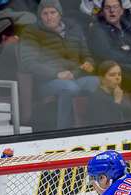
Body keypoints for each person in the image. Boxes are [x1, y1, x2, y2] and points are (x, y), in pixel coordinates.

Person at [18, 0, 99, 129]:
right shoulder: (31, 32)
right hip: (47, 81)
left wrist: (88, 64)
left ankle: (97, 126)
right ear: (40, 15)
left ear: (60, 14)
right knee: (68, 88)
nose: (49, 17)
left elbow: (87, 55)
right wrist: (57, 73)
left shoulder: (74, 28)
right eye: (45, 13)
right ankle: (64, 130)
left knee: (98, 82)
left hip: (75, 76)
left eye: (52, 12)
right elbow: (28, 63)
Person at [85, 61, 131, 125]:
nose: (117, 78)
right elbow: (107, 124)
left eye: (119, 74)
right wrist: (117, 101)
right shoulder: (95, 97)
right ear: (102, 79)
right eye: (112, 75)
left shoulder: (120, 93)